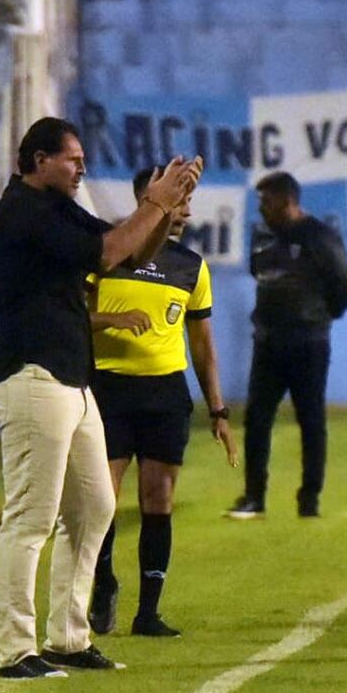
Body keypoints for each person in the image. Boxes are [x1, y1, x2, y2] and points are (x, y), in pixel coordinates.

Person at [0, 115, 203, 679]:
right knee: (30, 518)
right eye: (71, 158)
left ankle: (68, 638)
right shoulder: (24, 213)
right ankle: (16, 650)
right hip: (34, 376)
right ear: (38, 161)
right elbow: (107, 255)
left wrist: (165, 211)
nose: (81, 166)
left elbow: (132, 255)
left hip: (71, 379)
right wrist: (154, 202)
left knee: (96, 508)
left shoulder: (57, 207)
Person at [86, 165, 237, 639]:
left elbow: (203, 345)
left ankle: (148, 612)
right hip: (109, 389)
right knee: (100, 501)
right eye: (180, 197)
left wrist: (217, 409)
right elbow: (70, 312)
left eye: (190, 200)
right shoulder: (107, 250)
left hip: (165, 395)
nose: (188, 209)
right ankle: (103, 581)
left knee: (159, 499)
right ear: (149, 198)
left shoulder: (191, 266)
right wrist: (111, 321)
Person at [225, 172, 347, 521]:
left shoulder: (320, 237)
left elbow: (343, 286)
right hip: (267, 342)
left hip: (308, 344)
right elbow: (259, 274)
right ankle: (254, 497)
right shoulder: (262, 237)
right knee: (257, 419)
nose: (261, 209)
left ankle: (309, 500)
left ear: (287, 201)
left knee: (311, 421)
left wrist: (318, 317)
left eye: (266, 201)